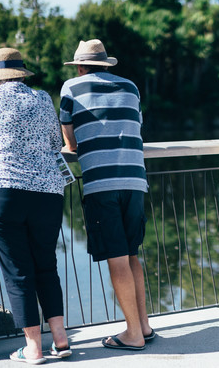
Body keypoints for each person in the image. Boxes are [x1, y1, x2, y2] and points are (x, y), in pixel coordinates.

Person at [0, 48, 71, 364]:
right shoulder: (42, 98)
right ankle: (61, 340)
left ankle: (34, 349)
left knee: (18, 272)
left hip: (3, 192)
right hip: (47, 192)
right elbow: (56, 144)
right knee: (46, 265)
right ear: (22, 73)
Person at [59, 39, 154, 350]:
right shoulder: (130, 87)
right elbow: (137, 125)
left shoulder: (71, 88)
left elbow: (70, 142)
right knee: (131, 254)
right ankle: (143, 326)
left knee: (116, 259)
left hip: (102, 183)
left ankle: (132, 335)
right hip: (135, 180)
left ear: (81, 67)